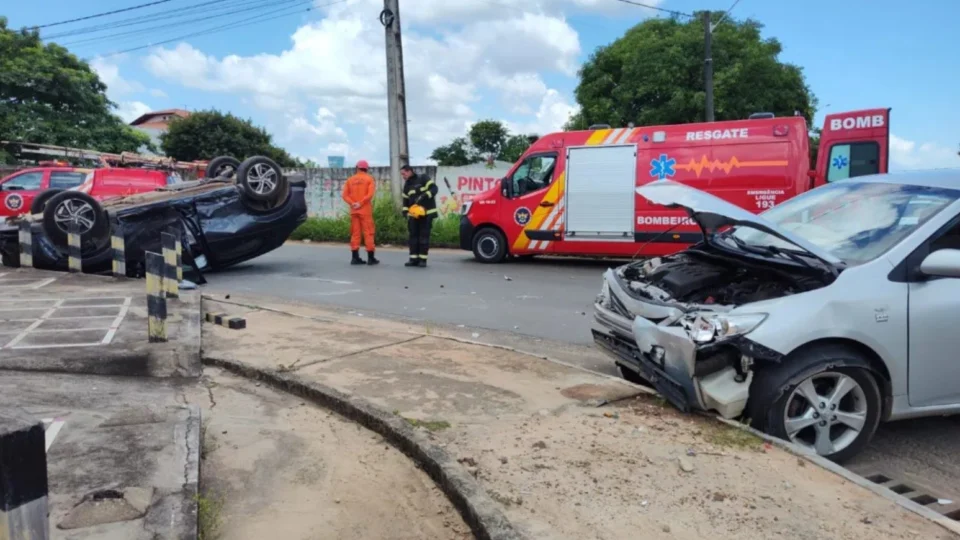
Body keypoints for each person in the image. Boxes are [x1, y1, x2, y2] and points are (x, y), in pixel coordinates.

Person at [341, 160, 379, 265]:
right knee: (368, 233)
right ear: (366, 169)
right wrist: (360, 203)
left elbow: (344, 195)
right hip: (365, 210)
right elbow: (370, 194)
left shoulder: (350, 180)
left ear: (357, 167)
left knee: (355, 233)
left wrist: (353, 203)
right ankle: (371, 259)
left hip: (354, 211)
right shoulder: (369, 179)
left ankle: (355, 258)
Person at [401, 165, 438, 267]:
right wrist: (405, 212)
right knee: (413, 237)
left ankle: (422, 260)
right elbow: (405, 200)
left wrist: (424, 195)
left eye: (404, 174)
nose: (403, 176)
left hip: (427, 214)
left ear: (410, 171)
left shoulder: (423, 178)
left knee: (423, 237)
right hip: (414, 215)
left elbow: (434, 189)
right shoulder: (407, 184)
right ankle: (413, 259)